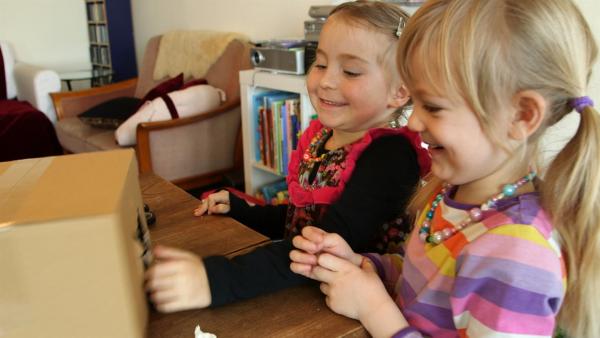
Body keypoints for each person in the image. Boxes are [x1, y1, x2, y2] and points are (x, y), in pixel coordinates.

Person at [290, 0, 599, 337]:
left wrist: (373, 307)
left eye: (433, 107)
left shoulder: (515, 253)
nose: (415, 122)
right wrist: (365, 265)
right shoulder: (452, 193)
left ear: (521, 116)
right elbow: (426, 283)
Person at [144, 1, 431, 312]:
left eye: (350, 71)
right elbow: (302, 220)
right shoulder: (322, 136)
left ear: (400, 92)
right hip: (305, 284)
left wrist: (213, 280)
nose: (326, 81)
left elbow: (322, 243)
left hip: (359, 309)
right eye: (320, 63)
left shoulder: (390, 157)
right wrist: (246, 211)